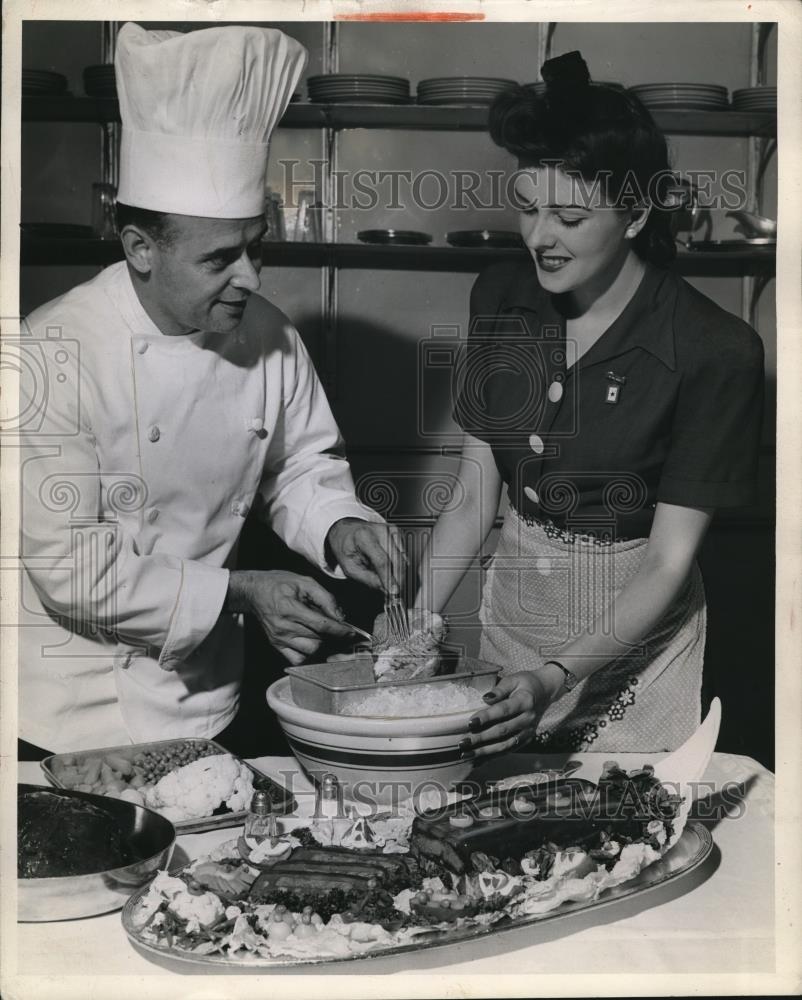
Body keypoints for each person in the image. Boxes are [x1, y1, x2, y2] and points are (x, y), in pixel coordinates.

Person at [18, 24, 403, 756]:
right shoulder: (50, 352)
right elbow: (71, 567)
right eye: (220, 258)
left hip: (211, 696)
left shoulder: (269, 335)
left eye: (256, 246)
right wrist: (239, 593)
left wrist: (338, 526)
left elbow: (302, 466)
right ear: (139, 248)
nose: (252, 278)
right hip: (71, 713)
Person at [418, 51, 764, 757]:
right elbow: (474, 490)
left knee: (619, 841)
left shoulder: (714, 349)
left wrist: (555, 678)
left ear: (635, 213)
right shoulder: (501, 296)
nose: (540, 237)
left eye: (570, 217)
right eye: (528, 208)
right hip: (515, 622)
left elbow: (668, 560)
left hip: (636, 645)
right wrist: (417, 624)